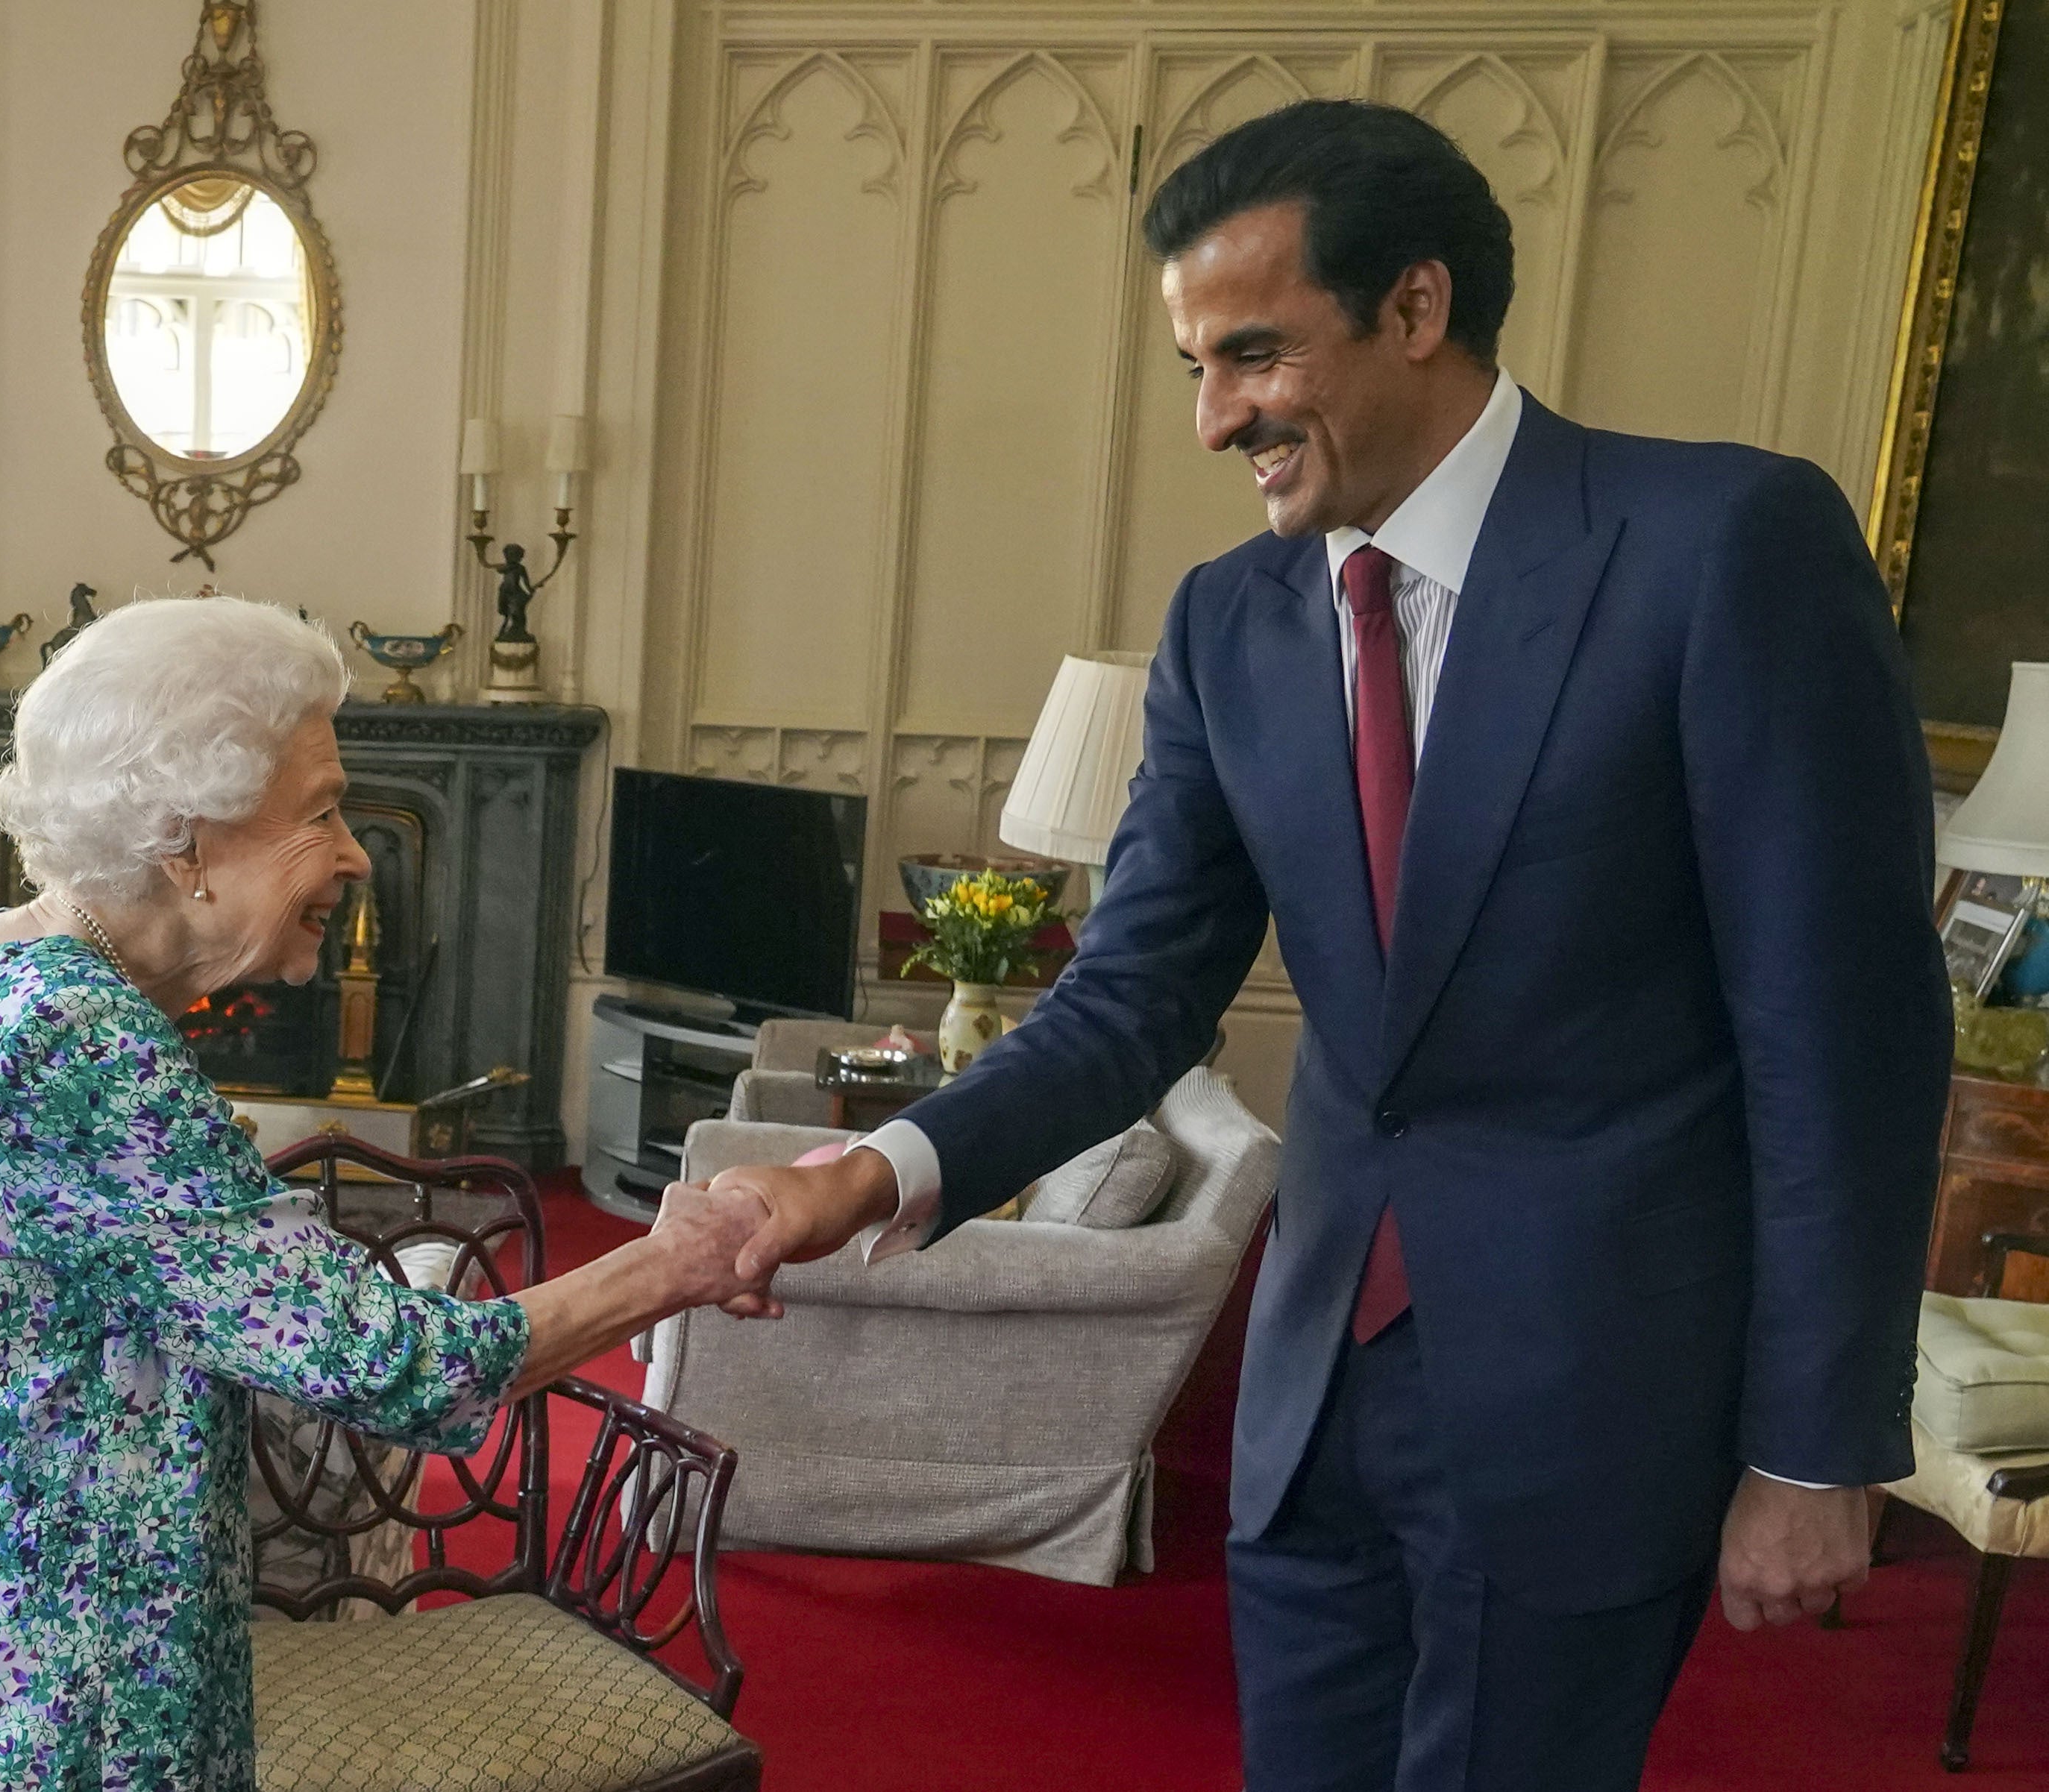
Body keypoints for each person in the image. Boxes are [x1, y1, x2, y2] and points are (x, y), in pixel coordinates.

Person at [706, 101, 1953, 1790]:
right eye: (1197, 369)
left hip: (1595, 1399)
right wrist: (870, 1173)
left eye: (1255, 356)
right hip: (1313, 1407)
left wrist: (1817, 1445)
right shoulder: (1230, 622)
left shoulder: (1721, 548)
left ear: (1418, 309)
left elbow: (1844, 1044)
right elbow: (1132, 995)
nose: (1217, 416)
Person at [0, 596, 776, 1792]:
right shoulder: (72, 1043)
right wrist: (682, 1257)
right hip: (78, 1722)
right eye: (319, 811)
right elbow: (398, 1364)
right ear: (186, 841)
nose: (357, 851)